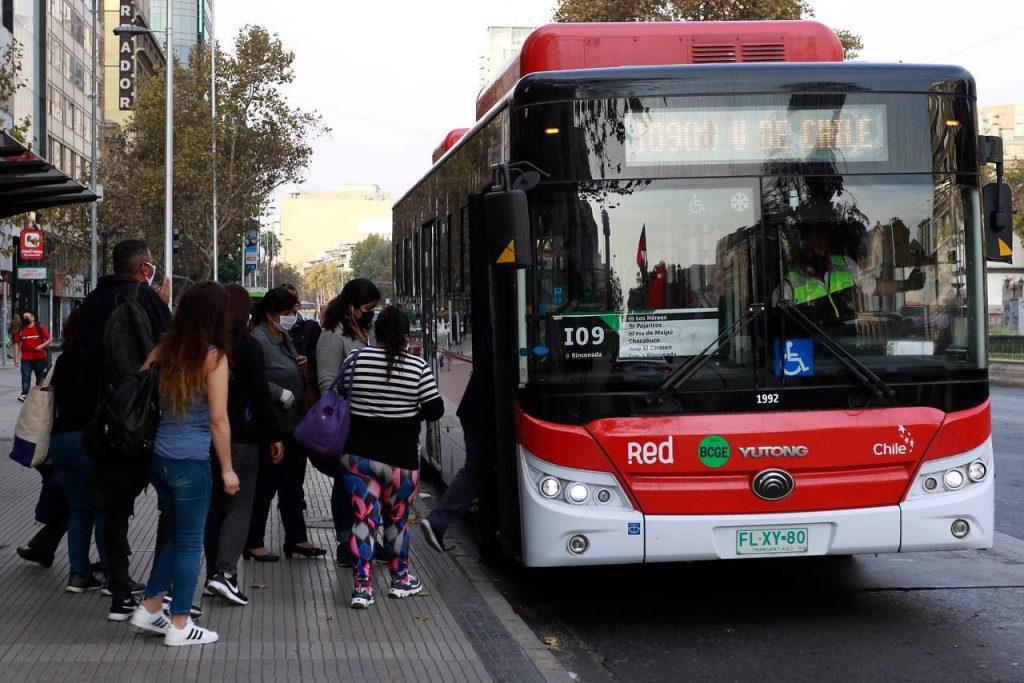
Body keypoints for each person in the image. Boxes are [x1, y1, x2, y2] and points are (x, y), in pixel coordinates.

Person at [129, 281, 239, 647]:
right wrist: (227, 468)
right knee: (191, 543)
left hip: (158, 458)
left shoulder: (163, 350)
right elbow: (218, 419)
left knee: (177, 536)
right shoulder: (213, 357)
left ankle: (150, 606)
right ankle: (179, 625)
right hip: (191, 462)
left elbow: (138, 389)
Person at [77, 239, 172, 621]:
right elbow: (169, 349)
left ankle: (119, 592)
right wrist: (161, 304)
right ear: (144, 268)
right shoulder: (144, 297)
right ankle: (158, 594)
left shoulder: (90, 303)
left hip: (104, 421)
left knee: (114, 509)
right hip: (146, 418)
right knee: (172, 505)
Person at [340, 306, 444, 608]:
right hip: (401, 461)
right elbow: (435, 410)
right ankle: (400, 580)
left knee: (363, 520)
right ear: (404, 334)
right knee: (397, 521)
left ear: (376, 332)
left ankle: (362, 587)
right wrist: (410, 412)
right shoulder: (417, 367)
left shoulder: (355, 361)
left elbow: (343, 394)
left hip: (358, 458)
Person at [203, 284, 283, 605]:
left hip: (204, 439)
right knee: (239, 505)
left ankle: (213, 573)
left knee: (215, 508)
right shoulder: (247, 348)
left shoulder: (205, 346)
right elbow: (261, 397)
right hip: (242, 439)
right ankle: (225, 573)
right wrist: (275, 435)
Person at [246, 287, 325, 560]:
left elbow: (288, 367)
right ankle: (254, 541)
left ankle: (297, 538)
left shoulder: (284, 337)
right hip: (271, 426)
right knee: (266, 486)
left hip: (294, 425)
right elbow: (251, 378)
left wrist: (300, 365)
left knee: (293, 485)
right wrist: (279, 392)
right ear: (271, 314)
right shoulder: (258, 339)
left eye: (295, 311)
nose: (294, 317)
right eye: (289, 312)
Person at [315, 278, 381, 565]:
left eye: (374, 308)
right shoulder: (333, 336)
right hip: (345, 421)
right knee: (345, 483)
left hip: (371, 420)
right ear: (352, 307)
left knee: (368, 484)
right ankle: (345, 542)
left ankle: (367, 539)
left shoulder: (369, 331)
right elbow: (327, 384)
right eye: (367, 308)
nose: (371, 313)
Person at [48, 308, 107, 593]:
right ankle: (112, 572)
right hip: (88, 442)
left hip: (60, 441)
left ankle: (79, 573)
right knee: (103, 508)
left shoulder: (63, 361)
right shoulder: (99, 361)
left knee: (78, 509)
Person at [420, 328, 494, 552]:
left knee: (477, 469)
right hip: (482, 413)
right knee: (475, 470)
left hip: (476, 411)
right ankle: (437, 521)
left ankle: (439, 522)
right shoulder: (509, 327)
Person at [777, 224, 925, 330]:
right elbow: (782, 327)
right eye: (809, 250)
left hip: (848, 344)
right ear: (801, 253)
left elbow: (872, 286)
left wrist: (907, 285)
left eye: (820, 248)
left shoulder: (844, 264)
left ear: (827, 247)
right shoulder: (787, 287)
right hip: (814, 345)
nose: (816, 255)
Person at [13, 310, 51, 401]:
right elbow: (17, 343)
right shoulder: (21, 330)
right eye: (24, 317)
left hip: (40, 358)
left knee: (40, 377)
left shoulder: (40, 327)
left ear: (33, 318)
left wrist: (41, 346)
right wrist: (16, 358)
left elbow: (50, 339)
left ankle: (38, 393)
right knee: (25, 377)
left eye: (27, 316)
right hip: (26, 358)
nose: (25, 318)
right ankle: (24, 394)